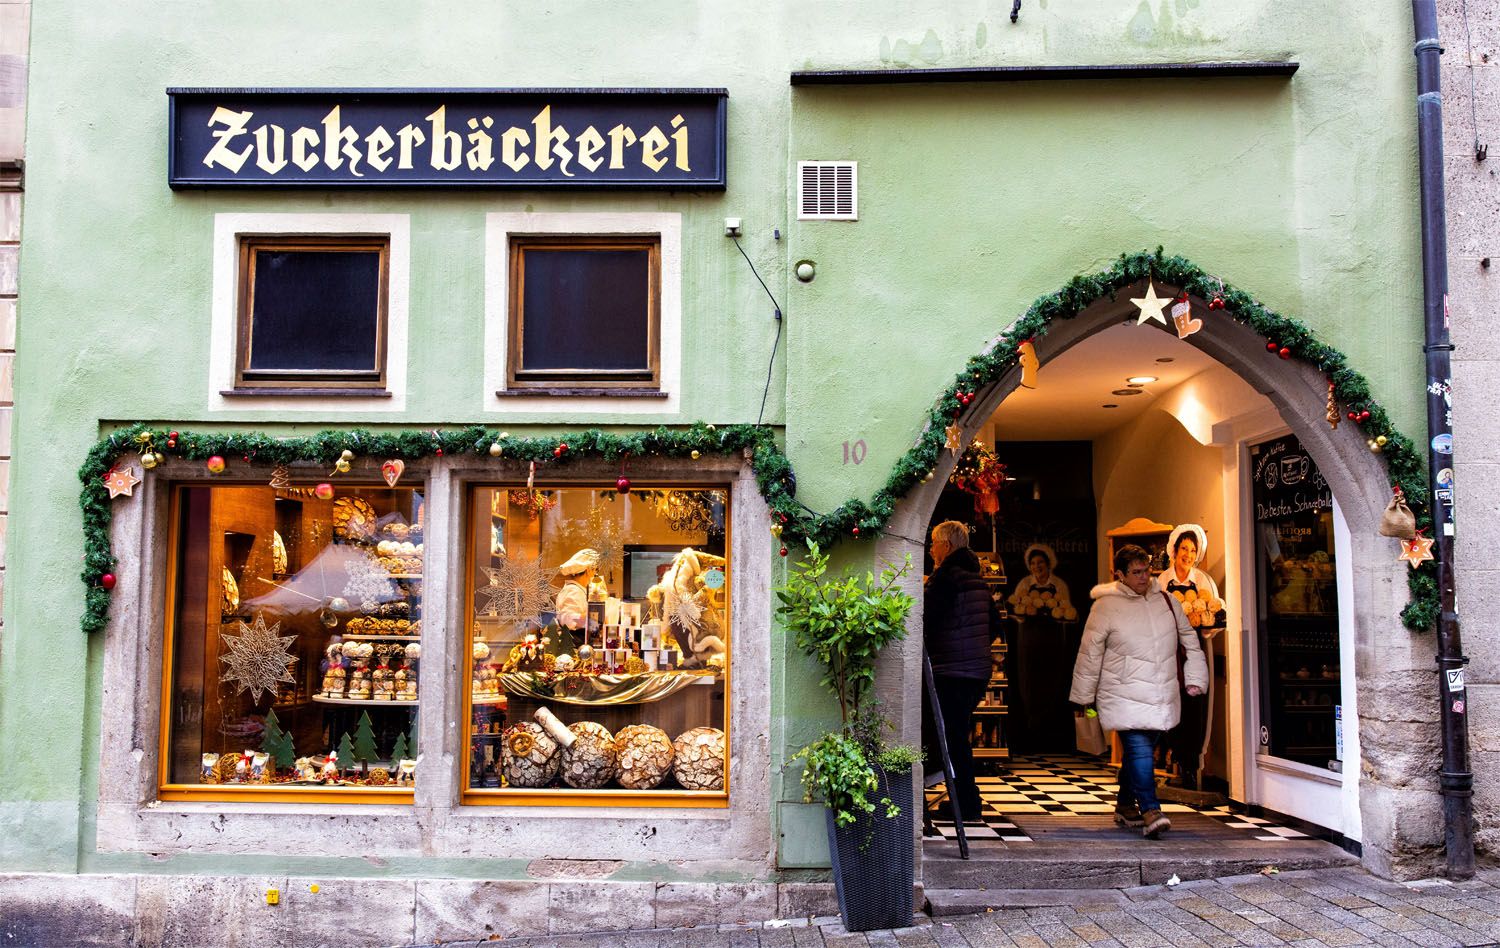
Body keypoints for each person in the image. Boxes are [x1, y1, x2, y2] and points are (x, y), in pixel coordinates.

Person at [1069, 544, 1207, 838]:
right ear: (1119, 575)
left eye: (1146, 571)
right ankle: (1150, 809)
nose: (1143, 577)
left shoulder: (1167, 602)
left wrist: (1195, 678)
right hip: (1122, 692)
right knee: (1140, 749)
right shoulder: (1106, 607)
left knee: (1142, 751)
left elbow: (1189, 641)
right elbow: (1089, 653)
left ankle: (1124, 804)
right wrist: (1083, 696)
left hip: (1161, 692)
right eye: (1136, 572)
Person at [923, 520, 1003, 821]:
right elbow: (995, 626)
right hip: (976, 672)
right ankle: (963, 799)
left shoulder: (945, 578)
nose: (931, 549)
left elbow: (926, 620)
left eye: (934, 542)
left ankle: (966, 804)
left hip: (951, 671)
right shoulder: (977, 580)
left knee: (951, 738)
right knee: (957, 736)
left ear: (947, 546)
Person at [1157, 524, 1219, 789]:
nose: (1188, 554)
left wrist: (1204, 621)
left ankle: (1191, 764)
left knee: (1195, 704)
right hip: (1170, 649)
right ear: (1174, 550)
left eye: (1193, 550)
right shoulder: (1163, 580)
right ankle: (1176, 757)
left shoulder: (1203, 581)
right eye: (1184, 548)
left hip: (1194, 649)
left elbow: (1213, 617)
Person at [1007, 544, 1078, 753]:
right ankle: (1031, 728)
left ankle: (1050, 727)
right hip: (1029, 639)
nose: (1037, 566)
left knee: (1051, 680)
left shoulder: (1059, 585)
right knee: (1030, 681)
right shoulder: (1024, 584)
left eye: (1040, 563)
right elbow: (1016, 609)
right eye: (1033, 563)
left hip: (1053, 639)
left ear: (1049, 564)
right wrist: (1023, 612)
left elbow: (1067, 610)